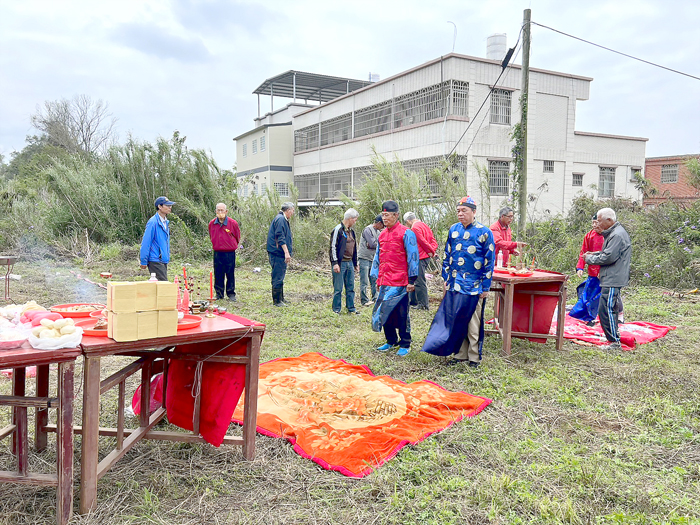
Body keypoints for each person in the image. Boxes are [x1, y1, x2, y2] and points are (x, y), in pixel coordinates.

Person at [422, 196, 495, 368]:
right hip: (455, 284)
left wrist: (485, 286)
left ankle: (474, 357)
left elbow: (489, 261)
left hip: (474, 285)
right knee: (456, 319)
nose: (460, 214)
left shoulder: (484, 232)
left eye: (464, 211)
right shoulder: (454, 230)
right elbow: (447, 255)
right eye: (458, 211)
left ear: (474, 212)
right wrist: (446, 278)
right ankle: (460, 354)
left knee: (473, 322)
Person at [370, 200, 419, 357]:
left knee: (401, 313)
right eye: (383, 215)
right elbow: (378, 258)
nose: (384, 218)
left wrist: (412, 280)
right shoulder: (382, 235)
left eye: (387, 215)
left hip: (401, 281)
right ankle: (391, 340)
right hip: (385, 280)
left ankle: (405, 343)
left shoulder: (406, 233)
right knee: (386, 312)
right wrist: (378, 278)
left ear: (396, 215)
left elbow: (413, 257)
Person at [584, 207, 632, 351]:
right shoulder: (614, 233)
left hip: (613, 277)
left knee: (607, 309)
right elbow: (608, 253)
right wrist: (594, 254)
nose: (597, 224)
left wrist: (590, 258)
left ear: (609, 220)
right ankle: (613, 338)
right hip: (611, 276)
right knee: (608, 307)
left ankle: (614, 342)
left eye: (599, 221)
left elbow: (608, 257)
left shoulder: (616, 235)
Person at [570, 215, 625, 326]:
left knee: (612, 294)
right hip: (593, 272)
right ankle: (591, 317)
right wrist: (580, 267)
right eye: (593, 222)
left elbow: (613, 256)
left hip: (608, 272)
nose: (595, 225)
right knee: (590, 294)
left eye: (598, 222)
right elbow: (583, 252)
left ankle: (619, 314)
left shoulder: (612, 236)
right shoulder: (589, 236)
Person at [403, 212, 438, 310]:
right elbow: (432, 240)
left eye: (406, 223)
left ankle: (423, 304)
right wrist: (432, 250)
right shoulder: (424, 225)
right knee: (414, 278)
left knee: (419, 280)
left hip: (420, 256)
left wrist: (430, 251)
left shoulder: (414, 228)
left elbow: (423, 241)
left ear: (409, 221)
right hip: (425, 255)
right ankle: (414, 301)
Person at [208, 202, 241, 302]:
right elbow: (211, 236)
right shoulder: (212, 223)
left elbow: (237, 236)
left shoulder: (233, 223)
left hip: (229, 252)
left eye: (222, 210)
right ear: (215, 211)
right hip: (218, 252)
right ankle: (219, 294)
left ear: (226, 211)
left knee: (230, 273)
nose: (220, 212)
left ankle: (231, 293)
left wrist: (231, 244)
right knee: (218, 273)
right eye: (218, 210)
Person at [329, 208, 360, 314]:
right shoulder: (338, 230)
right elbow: (333, 247)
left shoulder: (352, 232)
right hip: (340, 263)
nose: (355, 222)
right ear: (350, 219)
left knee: (351, 287)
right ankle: (336, 309)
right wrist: (335, 263)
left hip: (350, 262)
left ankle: (351, 308)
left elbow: (355, 247)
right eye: (355, 220)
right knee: (338, 288)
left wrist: (355, 263)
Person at [139, 196, 175, 281]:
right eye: (167, 205)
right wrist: (143, 261)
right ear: (160, 206)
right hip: (155, 260)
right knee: (163, 286)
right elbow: (146, 242)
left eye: (170, 205)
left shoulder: (165, 222)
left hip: (162, 260)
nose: (170, 207)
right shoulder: (153, 222)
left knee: (159, 288)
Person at [266, 202, 294, 307]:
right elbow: (280, 237)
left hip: (279, 253)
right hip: (278, 253)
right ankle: (277, 301)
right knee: (277, 276)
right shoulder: (281, 219)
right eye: (292, 210)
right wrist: (286, 252)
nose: (293, 213)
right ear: (288, 210)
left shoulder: (282, 219)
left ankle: (281, 298)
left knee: (281, 276)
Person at [358, 215, 383, 306]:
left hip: (373, 258)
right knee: (364, 281)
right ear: (379, 223)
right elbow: (373, 244)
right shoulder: (367, 230)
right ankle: (364, 300)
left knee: (374, 279)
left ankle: (375, 298)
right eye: (382, 225)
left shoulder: (379, 232)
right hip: (364, 258)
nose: (383, 228)